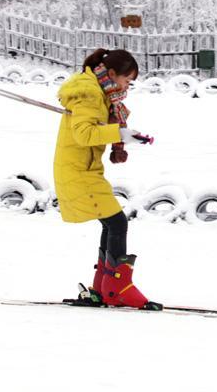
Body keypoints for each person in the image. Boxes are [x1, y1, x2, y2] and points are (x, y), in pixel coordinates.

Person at [54, 48, 159, 310]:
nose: (127, 87)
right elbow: (84, 135)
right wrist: (120, 134)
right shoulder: (89, 94)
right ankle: (116, 288)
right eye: (127, 81)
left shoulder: (100, 93)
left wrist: (123, 134)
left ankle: (104, 286)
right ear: (112, 74)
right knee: (117, 222)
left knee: (111, 223)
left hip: (85, 169)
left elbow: (96, 128)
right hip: (78, 171)